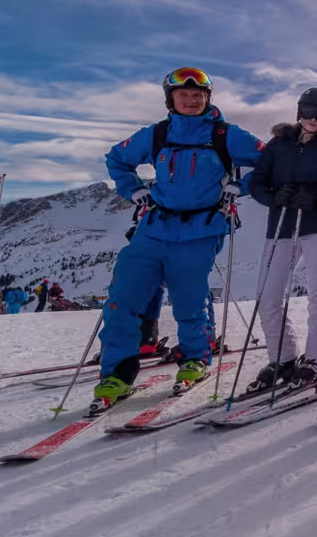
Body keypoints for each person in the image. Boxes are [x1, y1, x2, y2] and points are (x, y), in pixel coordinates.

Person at [97, 67, 264, 405]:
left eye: (198, 94)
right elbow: (117, 158)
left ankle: (194, 360)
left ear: (208, 98)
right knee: (122, 297)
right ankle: (117, 374)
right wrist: (134, 191)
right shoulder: (156, 134)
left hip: (202, 228)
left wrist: (240, 187)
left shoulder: (225, 135)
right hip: (153, 226)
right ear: (170, 99)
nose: (191, 99)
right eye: (183, 94)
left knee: (189, 300)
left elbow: (271, 160)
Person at [246, 88, 317, 389]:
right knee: (268, 297)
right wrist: (273, 197)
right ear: (298, 111)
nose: (313, 119)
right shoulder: (279, 144)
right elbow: (257, 182)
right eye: (308, 111)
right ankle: (283, 358)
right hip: (281, 227)